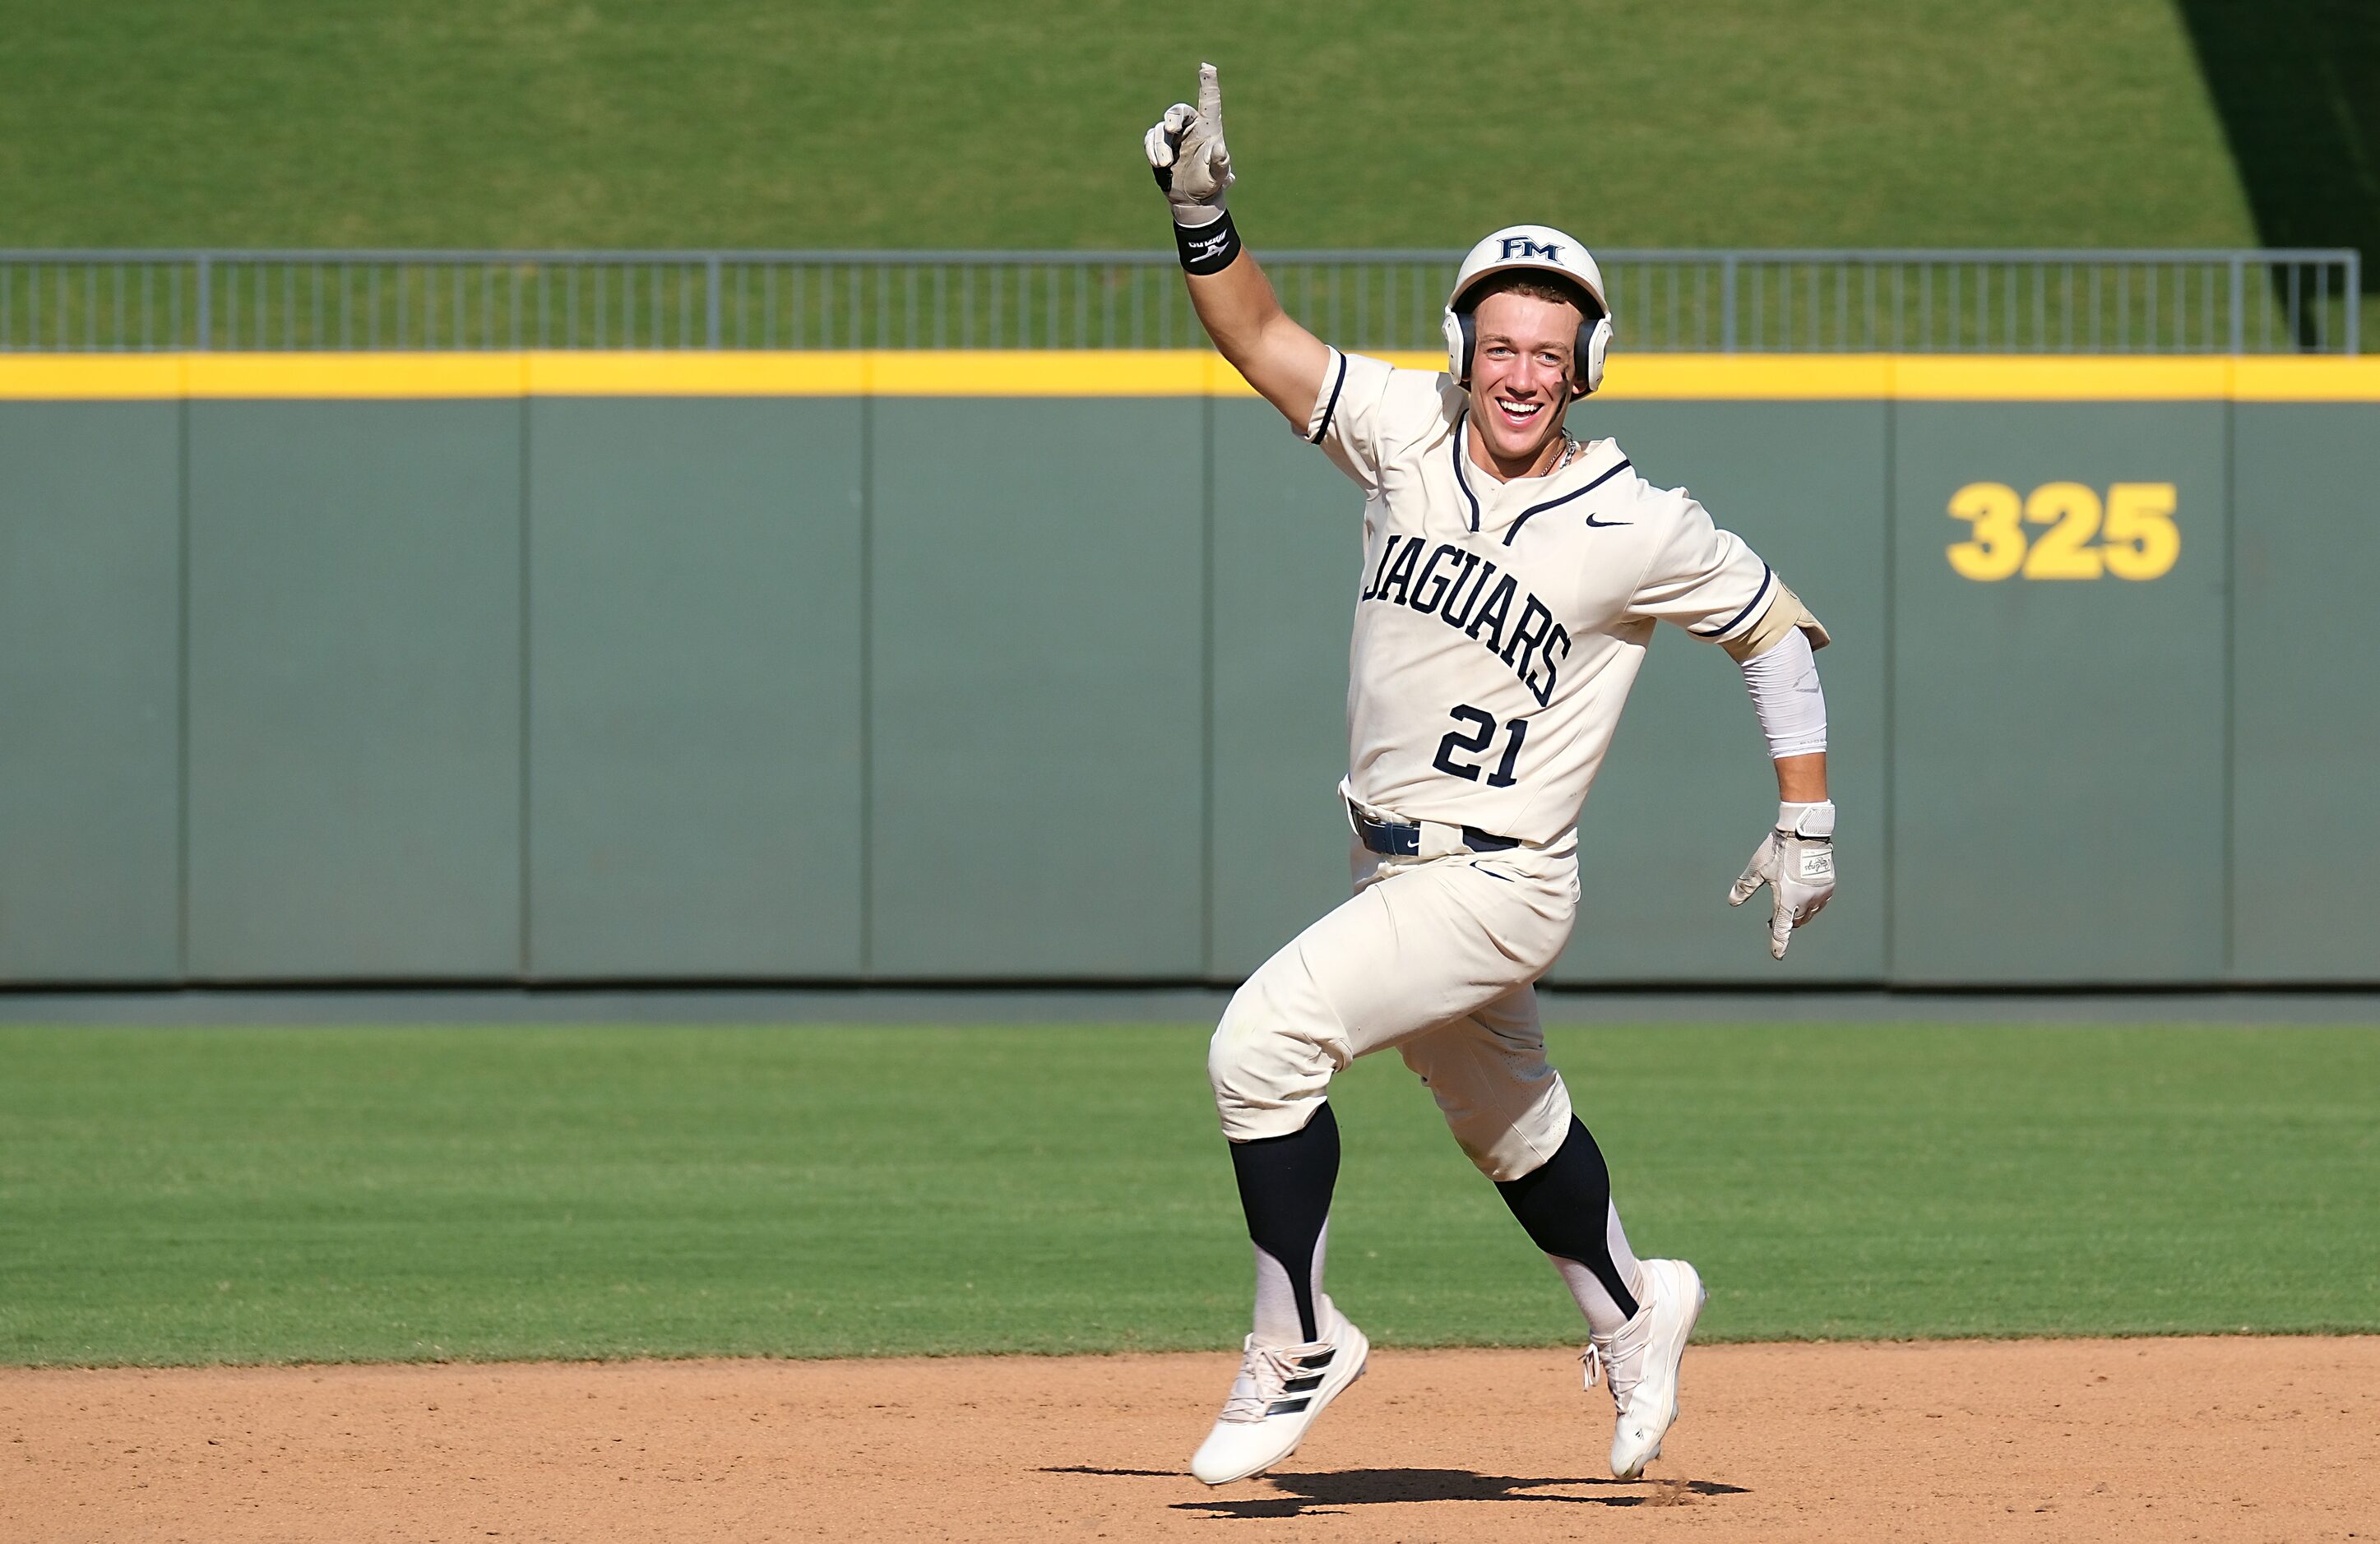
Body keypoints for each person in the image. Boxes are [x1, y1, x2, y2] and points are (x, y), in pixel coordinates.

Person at [1145, 66, 1838, 1488]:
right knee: (1505, 1121)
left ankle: (1298, 1339)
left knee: (1259, 1048)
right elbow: (1260, 337)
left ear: (1587, 364)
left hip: (1502, 876)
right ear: (1459, 346)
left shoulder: (1633, 518)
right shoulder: (1401, 430)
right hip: (1390, 861)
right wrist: (1203, 214)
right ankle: (1635, 1308)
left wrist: (1805, 817)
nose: (1521, 369)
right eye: (1498, 341)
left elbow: (1770, 622)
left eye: (1549, 349)